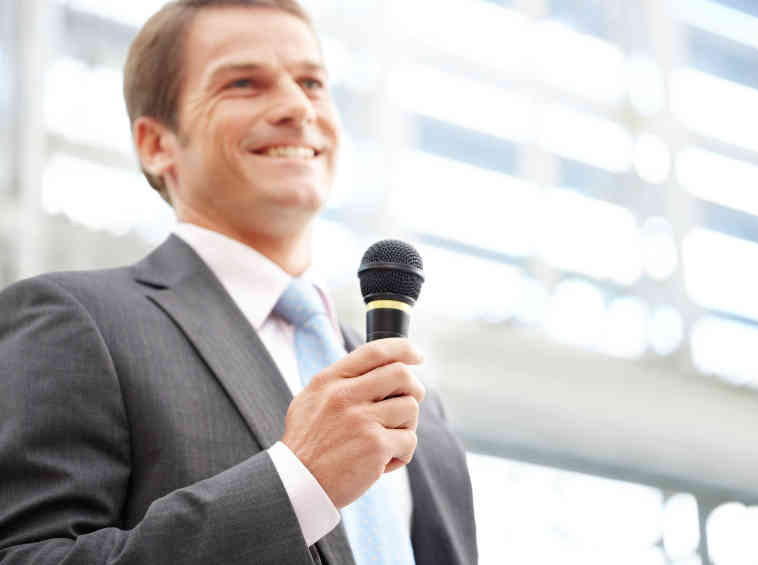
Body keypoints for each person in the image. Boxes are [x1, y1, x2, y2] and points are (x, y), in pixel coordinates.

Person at [0, 1, 477, 563]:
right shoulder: (75, 320)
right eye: (245, 83)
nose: (298, 108)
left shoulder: (425, 413)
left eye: (312, 83)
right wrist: (297, 483)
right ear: (157, 144)